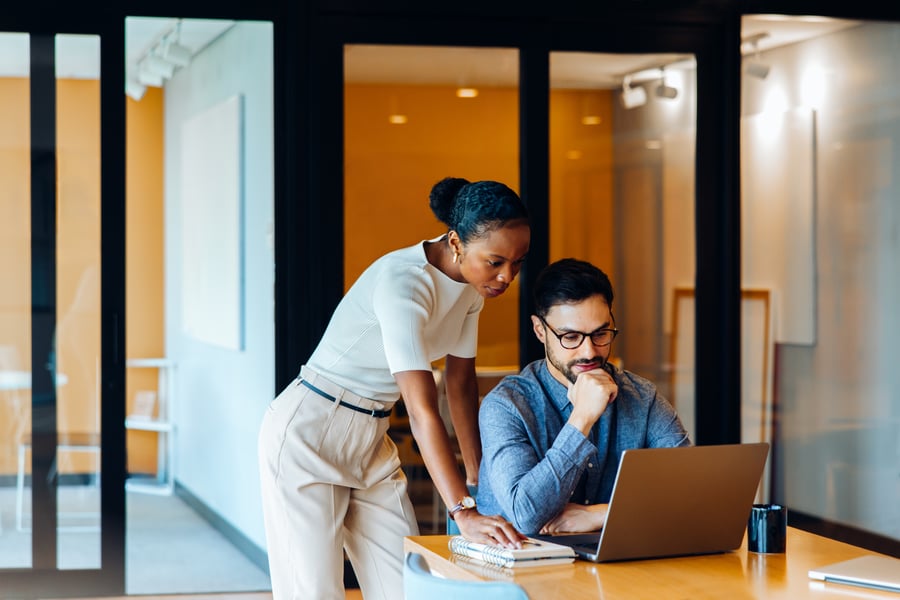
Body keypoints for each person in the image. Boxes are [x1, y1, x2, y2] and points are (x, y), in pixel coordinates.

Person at [258, 177, 530, 600]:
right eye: (495, 261)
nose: (506, 276)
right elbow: (422, 411)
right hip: (311, 430)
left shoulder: (472, 291)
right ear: (456, 242)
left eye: (517, 262)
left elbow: (459, 386)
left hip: (371, 436)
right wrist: (463, 509)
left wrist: (478, 481)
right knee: (313, 593)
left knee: (407, 587)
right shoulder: (404, 283)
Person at [476, 258, 691, 536]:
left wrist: (599, 514)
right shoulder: (507, 406)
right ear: (540, 330)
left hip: (610, 567)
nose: (589, 351)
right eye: (571, 337)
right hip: (518, 570)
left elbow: (690, 492)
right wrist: (582, 418)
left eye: (600, 333)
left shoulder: (642, 398)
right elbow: (525, 515)